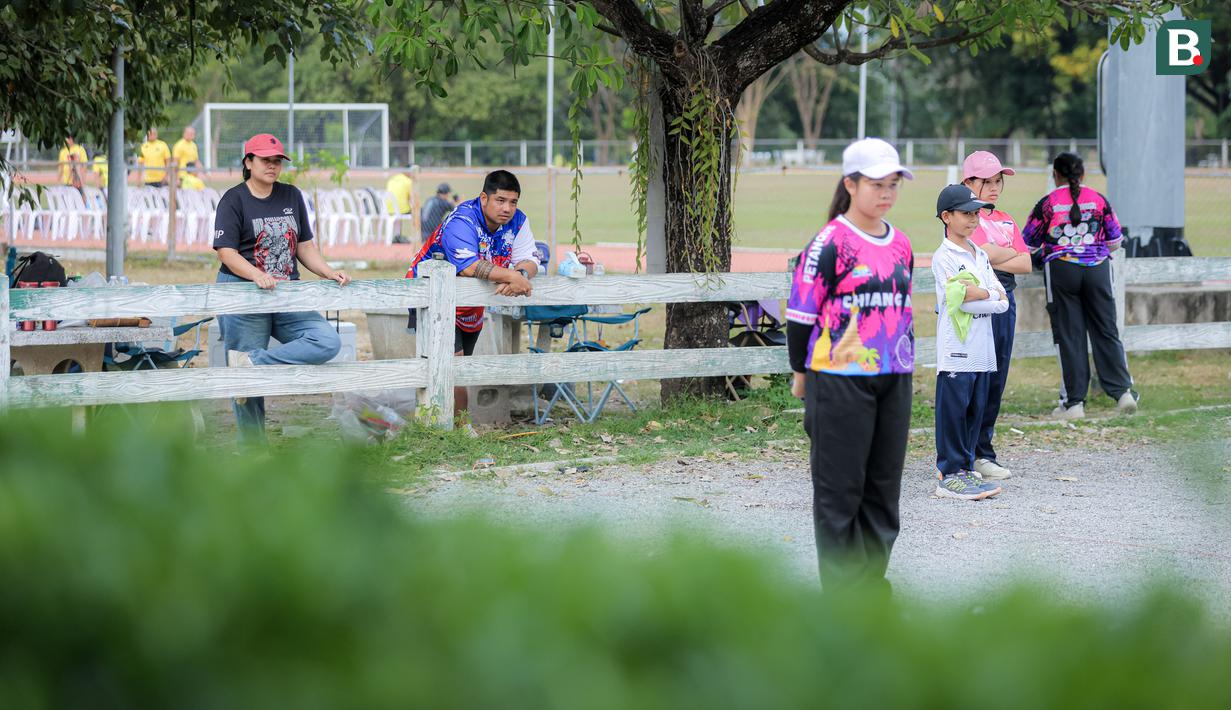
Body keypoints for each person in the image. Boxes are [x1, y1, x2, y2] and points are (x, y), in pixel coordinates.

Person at [786, 138, 915, 593]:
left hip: (894, 377)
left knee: (883, 491)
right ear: (850, 184)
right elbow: (800, 317)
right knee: (840, 494)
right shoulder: (828, 243)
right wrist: (801, 374)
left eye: (893, 184)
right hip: (839, 380)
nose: (886, 193)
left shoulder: (901, 243)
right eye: (876, 184)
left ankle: (872, 594)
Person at [212, 133, 350, 447]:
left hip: (288, 293)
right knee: (248, 388)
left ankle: (253, 361)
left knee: (326, 341)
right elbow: (226, 253)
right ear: (248, 162)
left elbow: (304, 246)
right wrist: (256, 275)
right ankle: (253, 448)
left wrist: (328, 271)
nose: (272, 166)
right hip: (244, 292)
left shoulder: (291, 195)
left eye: (277, 161)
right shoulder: (233, 200)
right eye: (265, 160)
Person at [405, 170, 538, 414]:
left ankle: (448, 422)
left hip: (471, 302)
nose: (507, 208)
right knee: (452, 364)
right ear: (484, 198)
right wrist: (512, 276)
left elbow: (530, 259)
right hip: (431, 297)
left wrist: (522, 275)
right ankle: (456, 426)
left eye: (513, 202)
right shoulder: (462, 219)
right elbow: (469, 267)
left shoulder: (518, 221)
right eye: (500, 200)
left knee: (462, 364)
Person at [1022, 153, 1138, 419]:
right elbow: (1115, 242)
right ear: (1083, 174)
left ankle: (1073, 404)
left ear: (1055, 175)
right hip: (1098, 270)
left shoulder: (1047, 203)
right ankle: (1123, 394)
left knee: (1070, 335)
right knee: (1106, 330)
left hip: (1062, 270)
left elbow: (1027, 244)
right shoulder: (1099, 200)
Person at [931, 184, 1010, 501]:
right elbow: (960, 301)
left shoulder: (980, 255)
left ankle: (965, 469)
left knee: (974, 410)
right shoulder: (944, 257)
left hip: (982, 349)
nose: (974, 219)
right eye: (966, 213)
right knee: (954, 412)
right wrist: (987, 295)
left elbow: (1002, 301)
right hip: (957, 350)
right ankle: (949, 473)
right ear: (946, 217)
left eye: (976, 213)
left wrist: (983, 293)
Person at [961, 151, 1031, 481]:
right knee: (975, 376)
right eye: (986, 181)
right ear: (968, 182)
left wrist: (995, 255)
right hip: (978, 301)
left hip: (1006, 299)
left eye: (998, 181)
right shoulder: (963, 216)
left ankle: (983, 450)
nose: (994, 188)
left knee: (997, 375)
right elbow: (979, 256)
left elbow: (1025, 263)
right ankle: (966, 452)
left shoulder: (1005, 219)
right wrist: (1005, 253)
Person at [385, 166, 417, 242]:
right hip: (401, 210)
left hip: (387, 208)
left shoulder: (392, 179)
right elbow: (412, 199)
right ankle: (418, 237)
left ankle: (397, 236)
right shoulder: (409, 181)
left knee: (399, 210)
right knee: (418, 213)